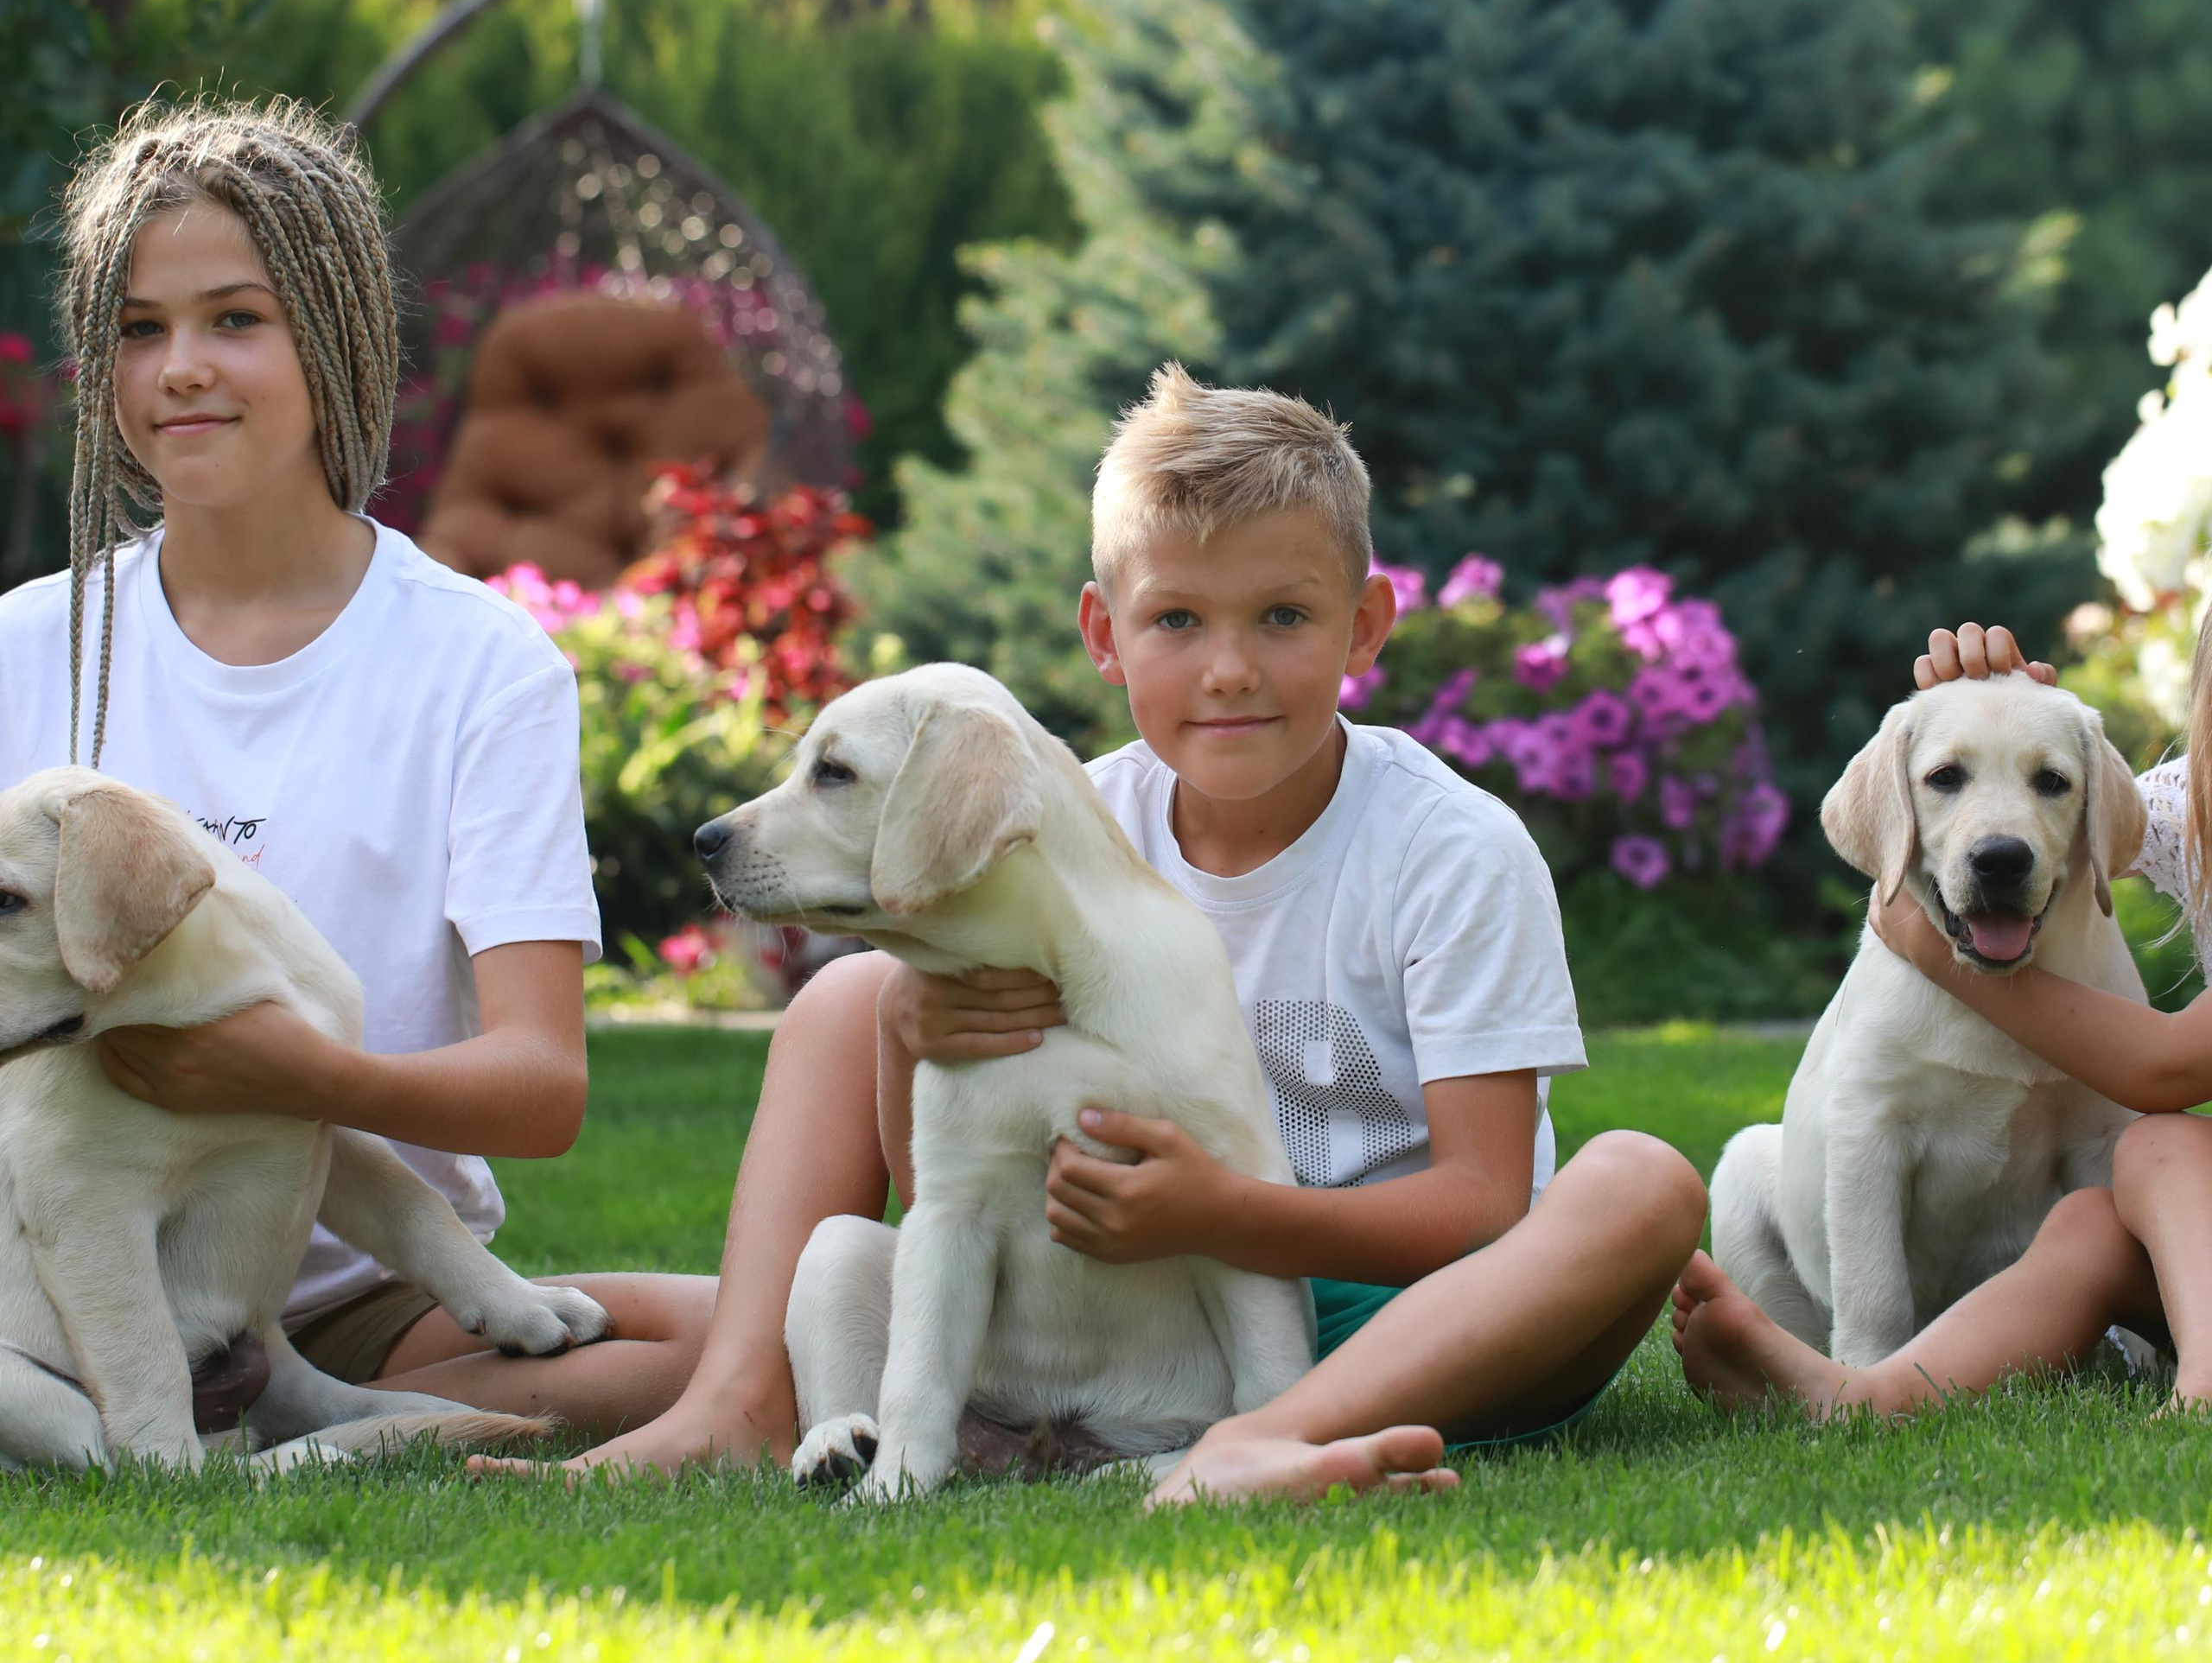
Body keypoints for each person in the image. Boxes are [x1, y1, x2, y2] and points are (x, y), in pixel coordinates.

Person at [531, 364, 1708, 1501]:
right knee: (850, 1004)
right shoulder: (1058, 820)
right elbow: (938, 1189)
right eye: (1178, 619)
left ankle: (1253, 1445)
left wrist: (1228, 1213)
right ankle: (735, 1398)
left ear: (1364, 626)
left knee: (1643, 1183)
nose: (1230, 669)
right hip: (1131, 1318)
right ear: (1104, 635)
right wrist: (911, 1021)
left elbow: (1485, 1208)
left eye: (1285, 616)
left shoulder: (1452, 849)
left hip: (1428, 1313)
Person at [0, 96, 712, 1434]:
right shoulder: (27, 648)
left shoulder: (483, 665)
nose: (180, 369)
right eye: (138, 330)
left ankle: (309, 1415)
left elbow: (541, 1090)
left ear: (334, 335)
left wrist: (290, 1078)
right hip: (52, 1274)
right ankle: (262, 1425)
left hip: (368, 1292)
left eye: (235, 318)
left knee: (768, 1328)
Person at [1673, 619, 2212, 1419]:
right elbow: (2097, 781)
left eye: (2052, 787)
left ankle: (2177, 1368)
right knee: (1750, 1168)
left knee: (2142, 1146)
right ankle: (1851, 1370)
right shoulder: (2194, 810)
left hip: (2046, 1223)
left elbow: (2162, 1070)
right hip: (1847, 1271)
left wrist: (1920, 944)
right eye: (1946, 779)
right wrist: (2015, 715)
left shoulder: (2099, 810)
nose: (2001, 839)